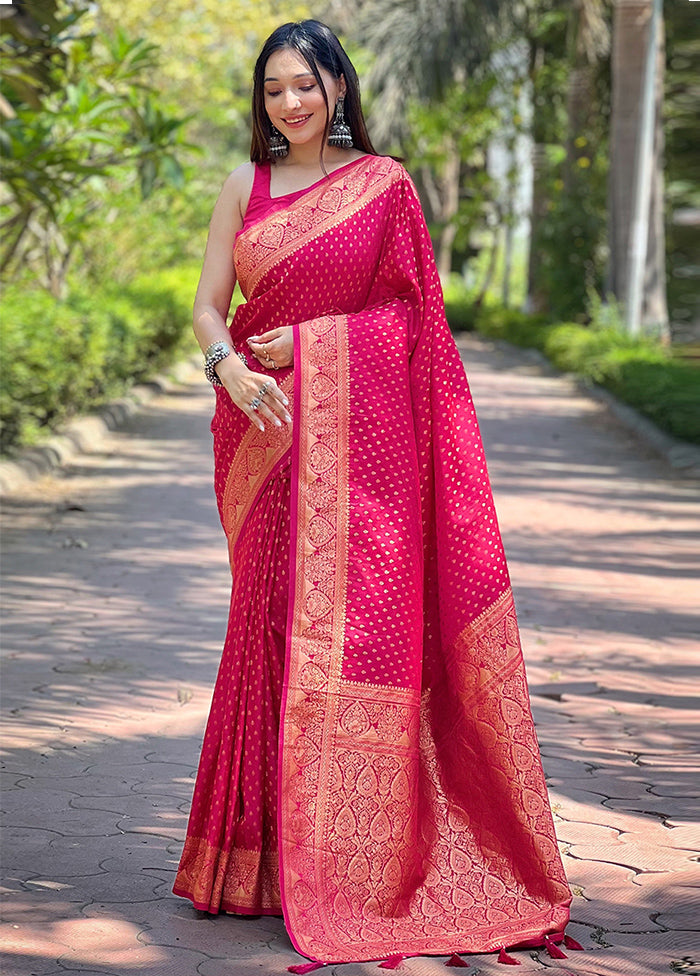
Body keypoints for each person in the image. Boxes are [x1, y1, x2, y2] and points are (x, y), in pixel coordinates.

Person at [173, 19, 574, 970]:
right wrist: (228, 367)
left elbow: (412, 318)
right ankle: (252, 864)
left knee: (349, 634)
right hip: (266, 438)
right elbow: (204, 303)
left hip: (359, 453)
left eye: (305, 85)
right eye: (273, 89)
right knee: (266, 626)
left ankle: (350, 867)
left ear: (340, 88)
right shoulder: (247, 185)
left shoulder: (384, 186)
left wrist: (313, 346)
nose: (290, 104)